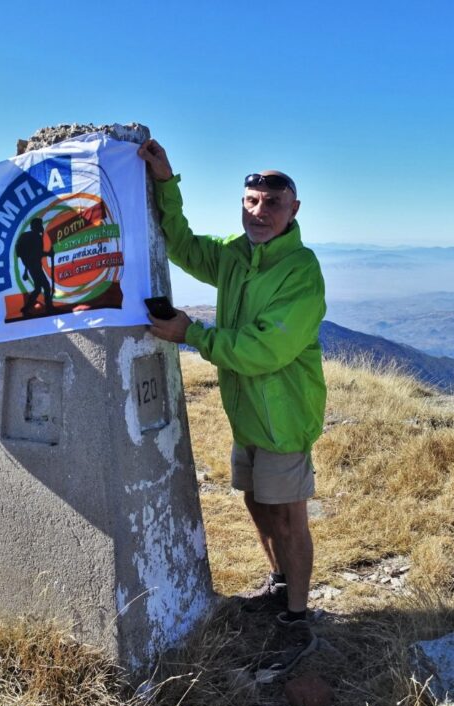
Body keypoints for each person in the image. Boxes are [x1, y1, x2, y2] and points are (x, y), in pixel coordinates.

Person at [138, 139, 327, 675]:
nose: (259, 212)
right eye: (251, 201)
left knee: (287, 515)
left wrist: (192, 333)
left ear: (293, 209)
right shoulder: (235, 254)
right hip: (245, 414)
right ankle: (280, 585)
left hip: (284, 416)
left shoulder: (301, 270)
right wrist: (164, 181)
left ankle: (297, 617)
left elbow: (266, 350)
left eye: (272, 204)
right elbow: (181, 243)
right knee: (256, 501)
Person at [17, 217, 56, 316]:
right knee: (46, 286)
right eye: (40, 225)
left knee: (38, 288)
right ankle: (48, 307)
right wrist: (48, 254)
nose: (41, 227)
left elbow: (29, 254)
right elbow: (37, 253)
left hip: (32, 266)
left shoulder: (27, 236)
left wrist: (26, 270)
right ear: (36, 226)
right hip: (35, 267)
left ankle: (26, 308)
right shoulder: (35, 237)